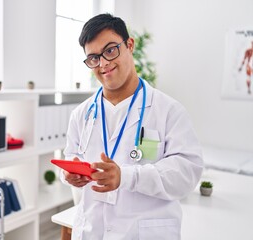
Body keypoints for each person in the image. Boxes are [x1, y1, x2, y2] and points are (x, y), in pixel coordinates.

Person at [61, 13, 203, 240]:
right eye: (94, 58)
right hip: (90, 232)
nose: (104, 63)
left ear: (129, 45)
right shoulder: (81, 114)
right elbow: (71, 157)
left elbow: (186, 175)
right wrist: (69, 174)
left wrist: (126, 176)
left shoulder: (168, 111)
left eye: (109, 50)